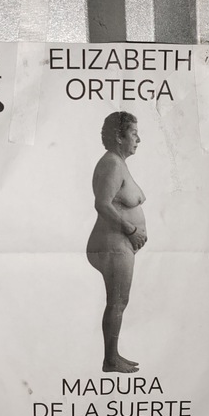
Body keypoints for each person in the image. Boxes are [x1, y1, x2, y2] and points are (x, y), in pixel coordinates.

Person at [87, 112, 147, 373]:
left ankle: (113, 356)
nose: (138, 139)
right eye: (134, 133)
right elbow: (102, 204)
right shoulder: (112, 163)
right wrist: (131, 229)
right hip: (112, 242)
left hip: (118, 244)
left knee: (119, 301)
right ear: (119, 137)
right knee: (117, 302)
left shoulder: (118, 163)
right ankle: (110, 361)